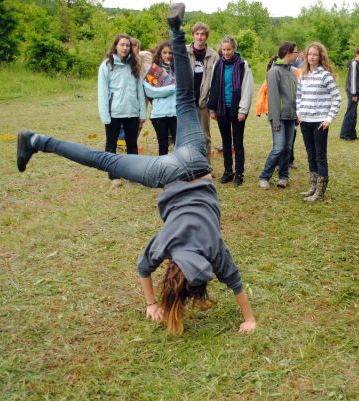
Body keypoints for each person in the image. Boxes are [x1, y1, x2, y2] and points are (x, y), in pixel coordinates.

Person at [15, 3, 256, 336]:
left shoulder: (213, 248)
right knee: (106, 159)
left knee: (185, 97)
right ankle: (37, 140)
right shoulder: (167, 244)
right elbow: (144, 269)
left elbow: (235, 283)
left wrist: (250, 317)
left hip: (195, 161)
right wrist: (151, 303)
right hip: (167, 172)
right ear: (172, 273)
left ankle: (176, 30)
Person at [98, 34, 146, 187]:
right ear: (116, 46)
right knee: (111, 145)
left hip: (132, 112)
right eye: (122, 45)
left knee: (132, 145)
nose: (125, 48)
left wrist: (142, 112)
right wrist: (105, 115)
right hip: (114, 113)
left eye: (128, 45)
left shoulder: (134, 65)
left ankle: (134, 175)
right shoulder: (106, 66)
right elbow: (102, 93)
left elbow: (140, 91)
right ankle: (114, 176)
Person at [296, 42, 342, 202]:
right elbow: (299, 96)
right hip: (305, 121)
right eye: (309, 54)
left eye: (315, 54)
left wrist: (329, 119)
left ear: (320, 56)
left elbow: (337, 98)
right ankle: (313, 187)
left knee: (320, 155)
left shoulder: (325, 75)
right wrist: (299, 113)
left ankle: (320, 192)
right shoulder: (303, 75)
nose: (312, 57)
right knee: (310, 154)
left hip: (319, 123)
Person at [208, 35, 254, 187]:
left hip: (237, 109)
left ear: (234, 49)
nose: (226, 52)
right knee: (225, 142)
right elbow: (213, 87)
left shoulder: (242, 65)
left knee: (238, 143)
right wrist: (212, 108)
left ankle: (239, 173)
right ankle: (228, 171)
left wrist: (243, 110)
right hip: (222, 108)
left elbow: (247, 89)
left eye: (229, 49)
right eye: (224, 49)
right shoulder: (217, 65)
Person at [258, 42, 299, 190]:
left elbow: (294, 96)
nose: (297, 54)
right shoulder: (274, 71)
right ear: (288, 53)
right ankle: (264, 177)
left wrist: (296, 115)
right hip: (278, 118)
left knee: (287, 148)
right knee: (279, 147)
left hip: (290, 117)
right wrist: (275, 120)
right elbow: (273, 98)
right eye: (296, 52)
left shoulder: (292, 71)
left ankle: (283, 176)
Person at [187, 21, 219, 164]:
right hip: (186, 101)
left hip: (203, 102)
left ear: (206, 37)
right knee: (186, 135)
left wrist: (213, 104)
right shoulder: (184, 51)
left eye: (203, 34)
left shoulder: (214, 55)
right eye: (197, 34)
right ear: (193, 35)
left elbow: (216, 81)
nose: (200, 37)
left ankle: (206, 166)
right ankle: (188, 164)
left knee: (204, 136)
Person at [144, 41, 177, 156]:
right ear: (160, 53)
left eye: (170, 53)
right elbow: (150, 92)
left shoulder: (178, 69)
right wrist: (172, 88)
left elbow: (183, 88)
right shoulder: (153, 70)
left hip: (176, 113)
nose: (168, 55)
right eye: (165, 52)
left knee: (178, 145)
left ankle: (177, 171)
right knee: (163, 145)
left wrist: (162, 90)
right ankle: (163, 172)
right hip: (159, 114)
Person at [339, 47, 359, 141]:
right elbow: (353, 79)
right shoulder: (354, 64)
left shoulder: (356, 64)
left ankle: (352, 135)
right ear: (357, 54)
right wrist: (354, 94)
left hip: (354, 93)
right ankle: (344, 135)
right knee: (350, 113)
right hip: (353, 93)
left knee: (353, 114)